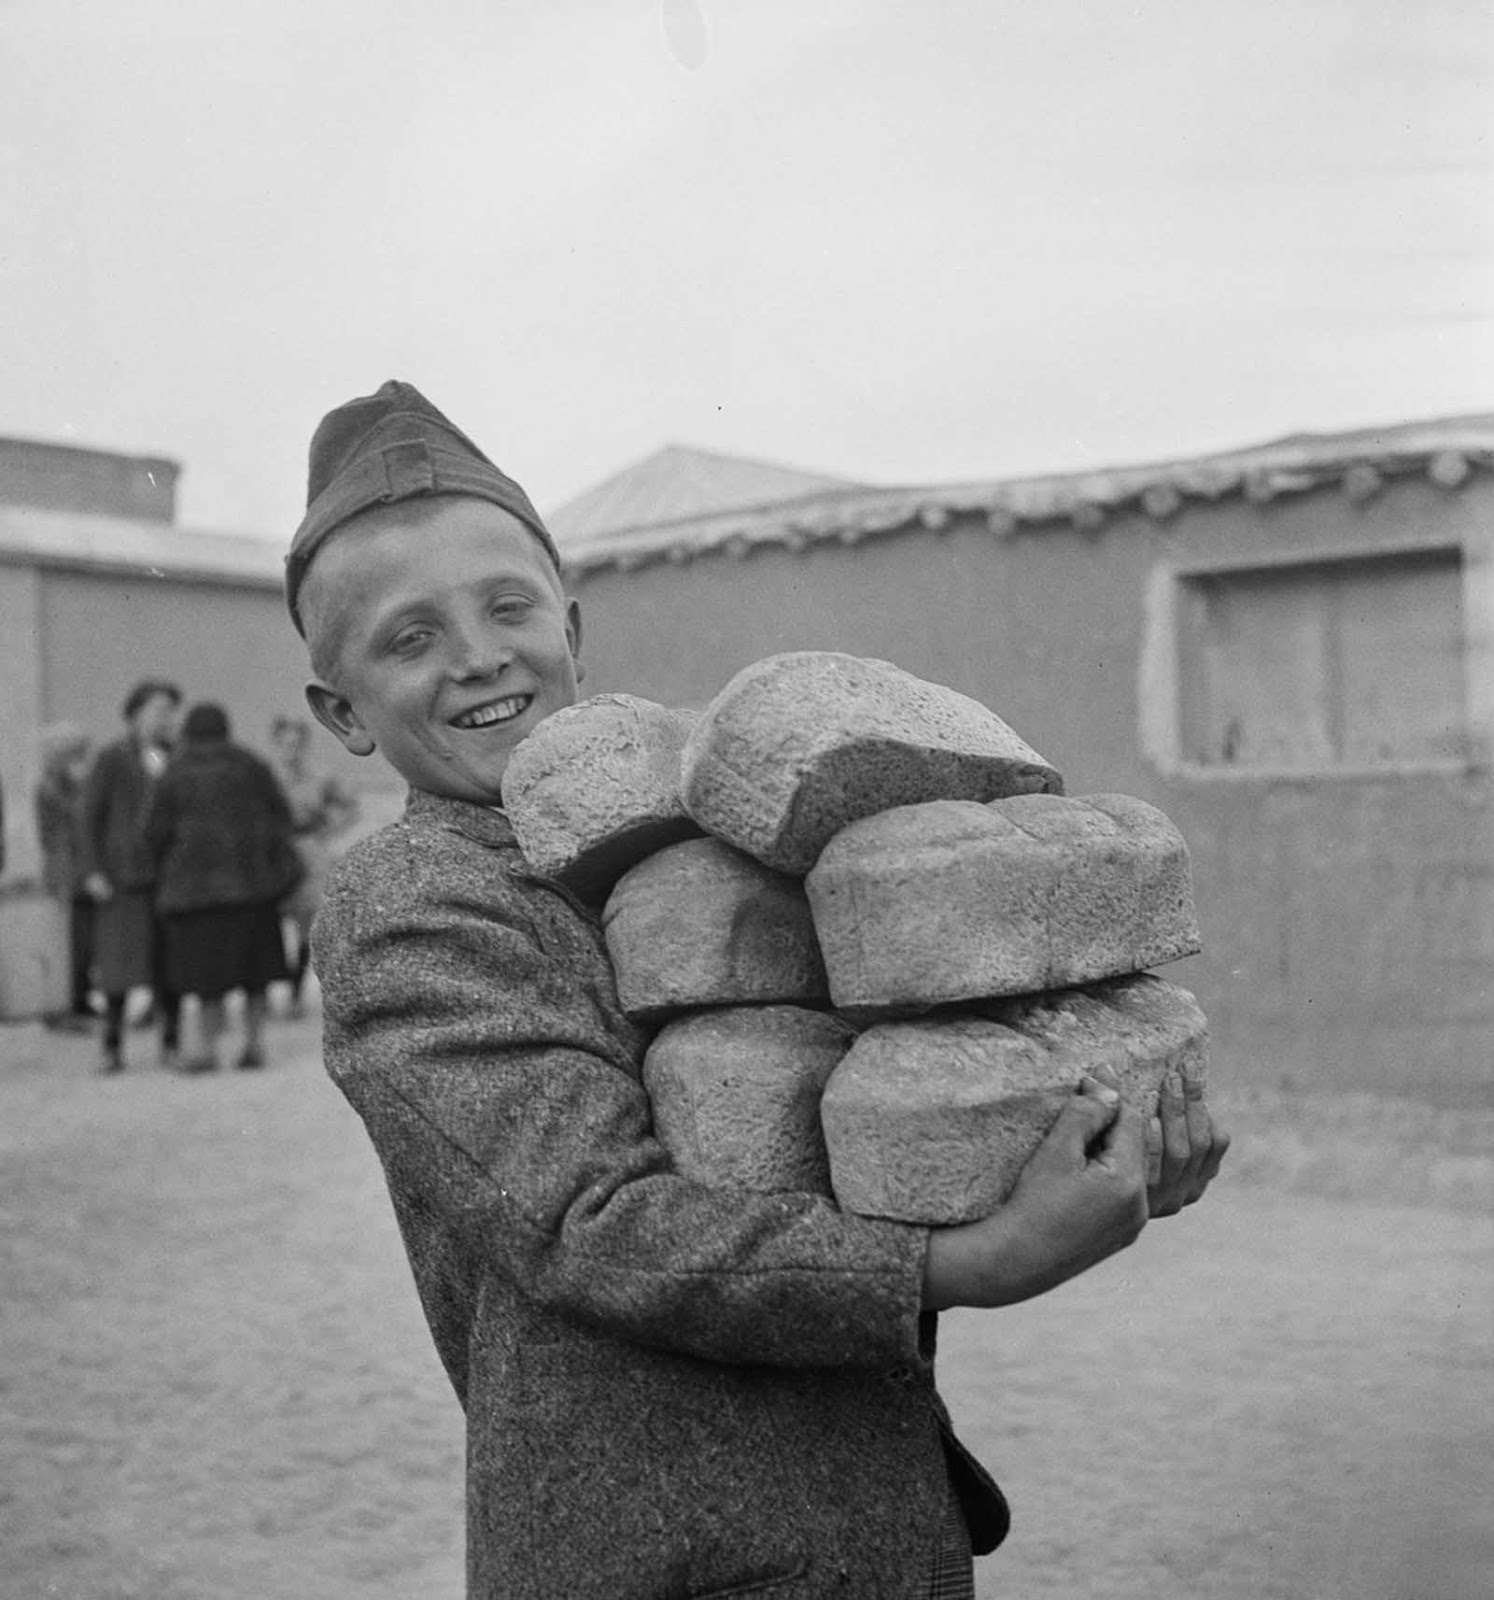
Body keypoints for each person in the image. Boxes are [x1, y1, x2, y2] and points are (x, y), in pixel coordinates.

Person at [287, 381, 1228, 1600]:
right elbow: (592, 1222)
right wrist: (968, 1262)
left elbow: (862, 1119)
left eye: (506, 605)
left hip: (864, 1500)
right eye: (407, 638)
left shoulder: (706, 847)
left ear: (572, 626)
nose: (476, 655)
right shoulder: (413, 900)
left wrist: (1096, 1156)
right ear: (341, 713)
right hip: (660, 1548)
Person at [144, 702, 302, 1072]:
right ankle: (253, 1043)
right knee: (254, 975)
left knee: (206, 977)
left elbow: (154, 833)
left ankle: (206, 1049)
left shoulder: (176, 772)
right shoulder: (251, 766)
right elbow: (283, 818)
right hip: (254, 889)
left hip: (196, 894)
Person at [79, 677, 183, 1072]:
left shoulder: (176, 757)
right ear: (136, 714)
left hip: (167, 880)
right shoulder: (111, 758)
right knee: (118, 968)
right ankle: (111, 1047)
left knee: (168, 964)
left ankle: (171, 1044)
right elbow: (88, 818)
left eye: (170, 712)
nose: (166, 719)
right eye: (158, 711)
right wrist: (92, 870)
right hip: (120, 880)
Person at [266, 713, 358, 1016]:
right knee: (267, 923)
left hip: (308, 850)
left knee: (307, 927)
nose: (290, 750)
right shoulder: (264, 776)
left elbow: (349, 805)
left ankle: (294, 991)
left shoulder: (320, 776)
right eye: (284, 744)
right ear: (274, 744)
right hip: (271, 853)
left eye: (295, 744)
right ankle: (264, 992)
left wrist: (331, 831)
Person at [33, 722, 97, 1031]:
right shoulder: (53, 786)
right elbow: (70, 823)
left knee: (84, 941)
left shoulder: (69, 784)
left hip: (78, 868)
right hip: (66, 871)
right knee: (69, 943)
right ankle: (66, 1004)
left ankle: (81, 997)